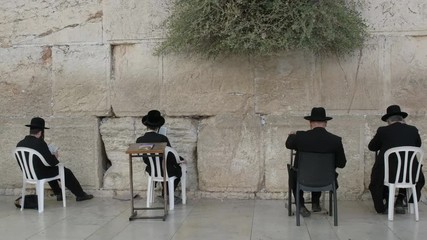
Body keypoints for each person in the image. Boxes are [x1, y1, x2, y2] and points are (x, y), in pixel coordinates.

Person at [286, 107, 347, 217]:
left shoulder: (301, 137)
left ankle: (300, 205)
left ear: (310, 123)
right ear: (326, 123)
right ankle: (315, 202)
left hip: (302, 178)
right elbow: (342, 163)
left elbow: (288, 144)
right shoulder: (335, 140)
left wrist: (293, 133)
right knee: (320, 171)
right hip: (326, 180)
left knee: (294, 172)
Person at [16, 117, 93, 201]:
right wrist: (55, 155)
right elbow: (52, 163)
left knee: (50, 170)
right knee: (65, 171)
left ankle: (58, 193)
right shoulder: (40, 143)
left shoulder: (20, 144)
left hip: (28, 175)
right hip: (39, 174)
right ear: (41, 132)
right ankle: (80, 195)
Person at [368, 105, 425, 214]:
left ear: (388, 120)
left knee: (377, 178)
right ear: (402, 119)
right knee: (410, 171)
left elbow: (372, 147)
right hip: (411, 173)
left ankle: (382, 207)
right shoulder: (413, 130)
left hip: (389, 174)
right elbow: (417, 145)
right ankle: (401, 198)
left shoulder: (383, 131)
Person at [136, 110, 183, 202]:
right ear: (158, 127)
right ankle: (168, 195)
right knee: (177, 169)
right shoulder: (162, 138)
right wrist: (180, 160)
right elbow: (170, 156)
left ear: (146, 126)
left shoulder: (139, 140)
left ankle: (162, 195)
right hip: (164, 170)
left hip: (151, 170)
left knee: (166, 168)